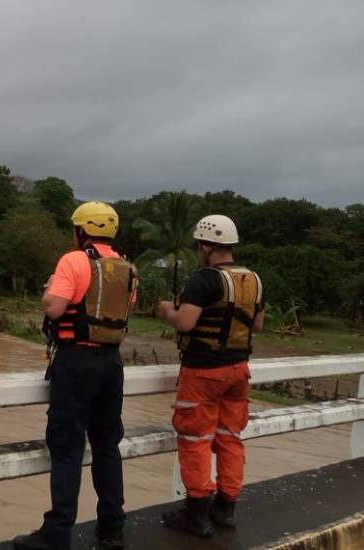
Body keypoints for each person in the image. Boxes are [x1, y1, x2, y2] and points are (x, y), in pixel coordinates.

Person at [14, 202, 137, 550]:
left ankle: (57, 533)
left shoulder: (73, 260)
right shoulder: (128, 268)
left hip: (76, 362)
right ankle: (112, 527)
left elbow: (54, 307)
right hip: (112, 365)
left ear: (81, 231)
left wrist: (50, 287)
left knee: (67, 448)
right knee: (106, 444)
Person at [157, 214, 265, 537]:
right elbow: (257, 325)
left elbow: (186, 323)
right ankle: (226, 507)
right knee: (230, 436)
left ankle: (197, 512)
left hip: (204, 371)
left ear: (206, 246)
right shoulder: (254, 280)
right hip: (238, 371)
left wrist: (167, 312)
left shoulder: (204, 280)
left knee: (195, 439)